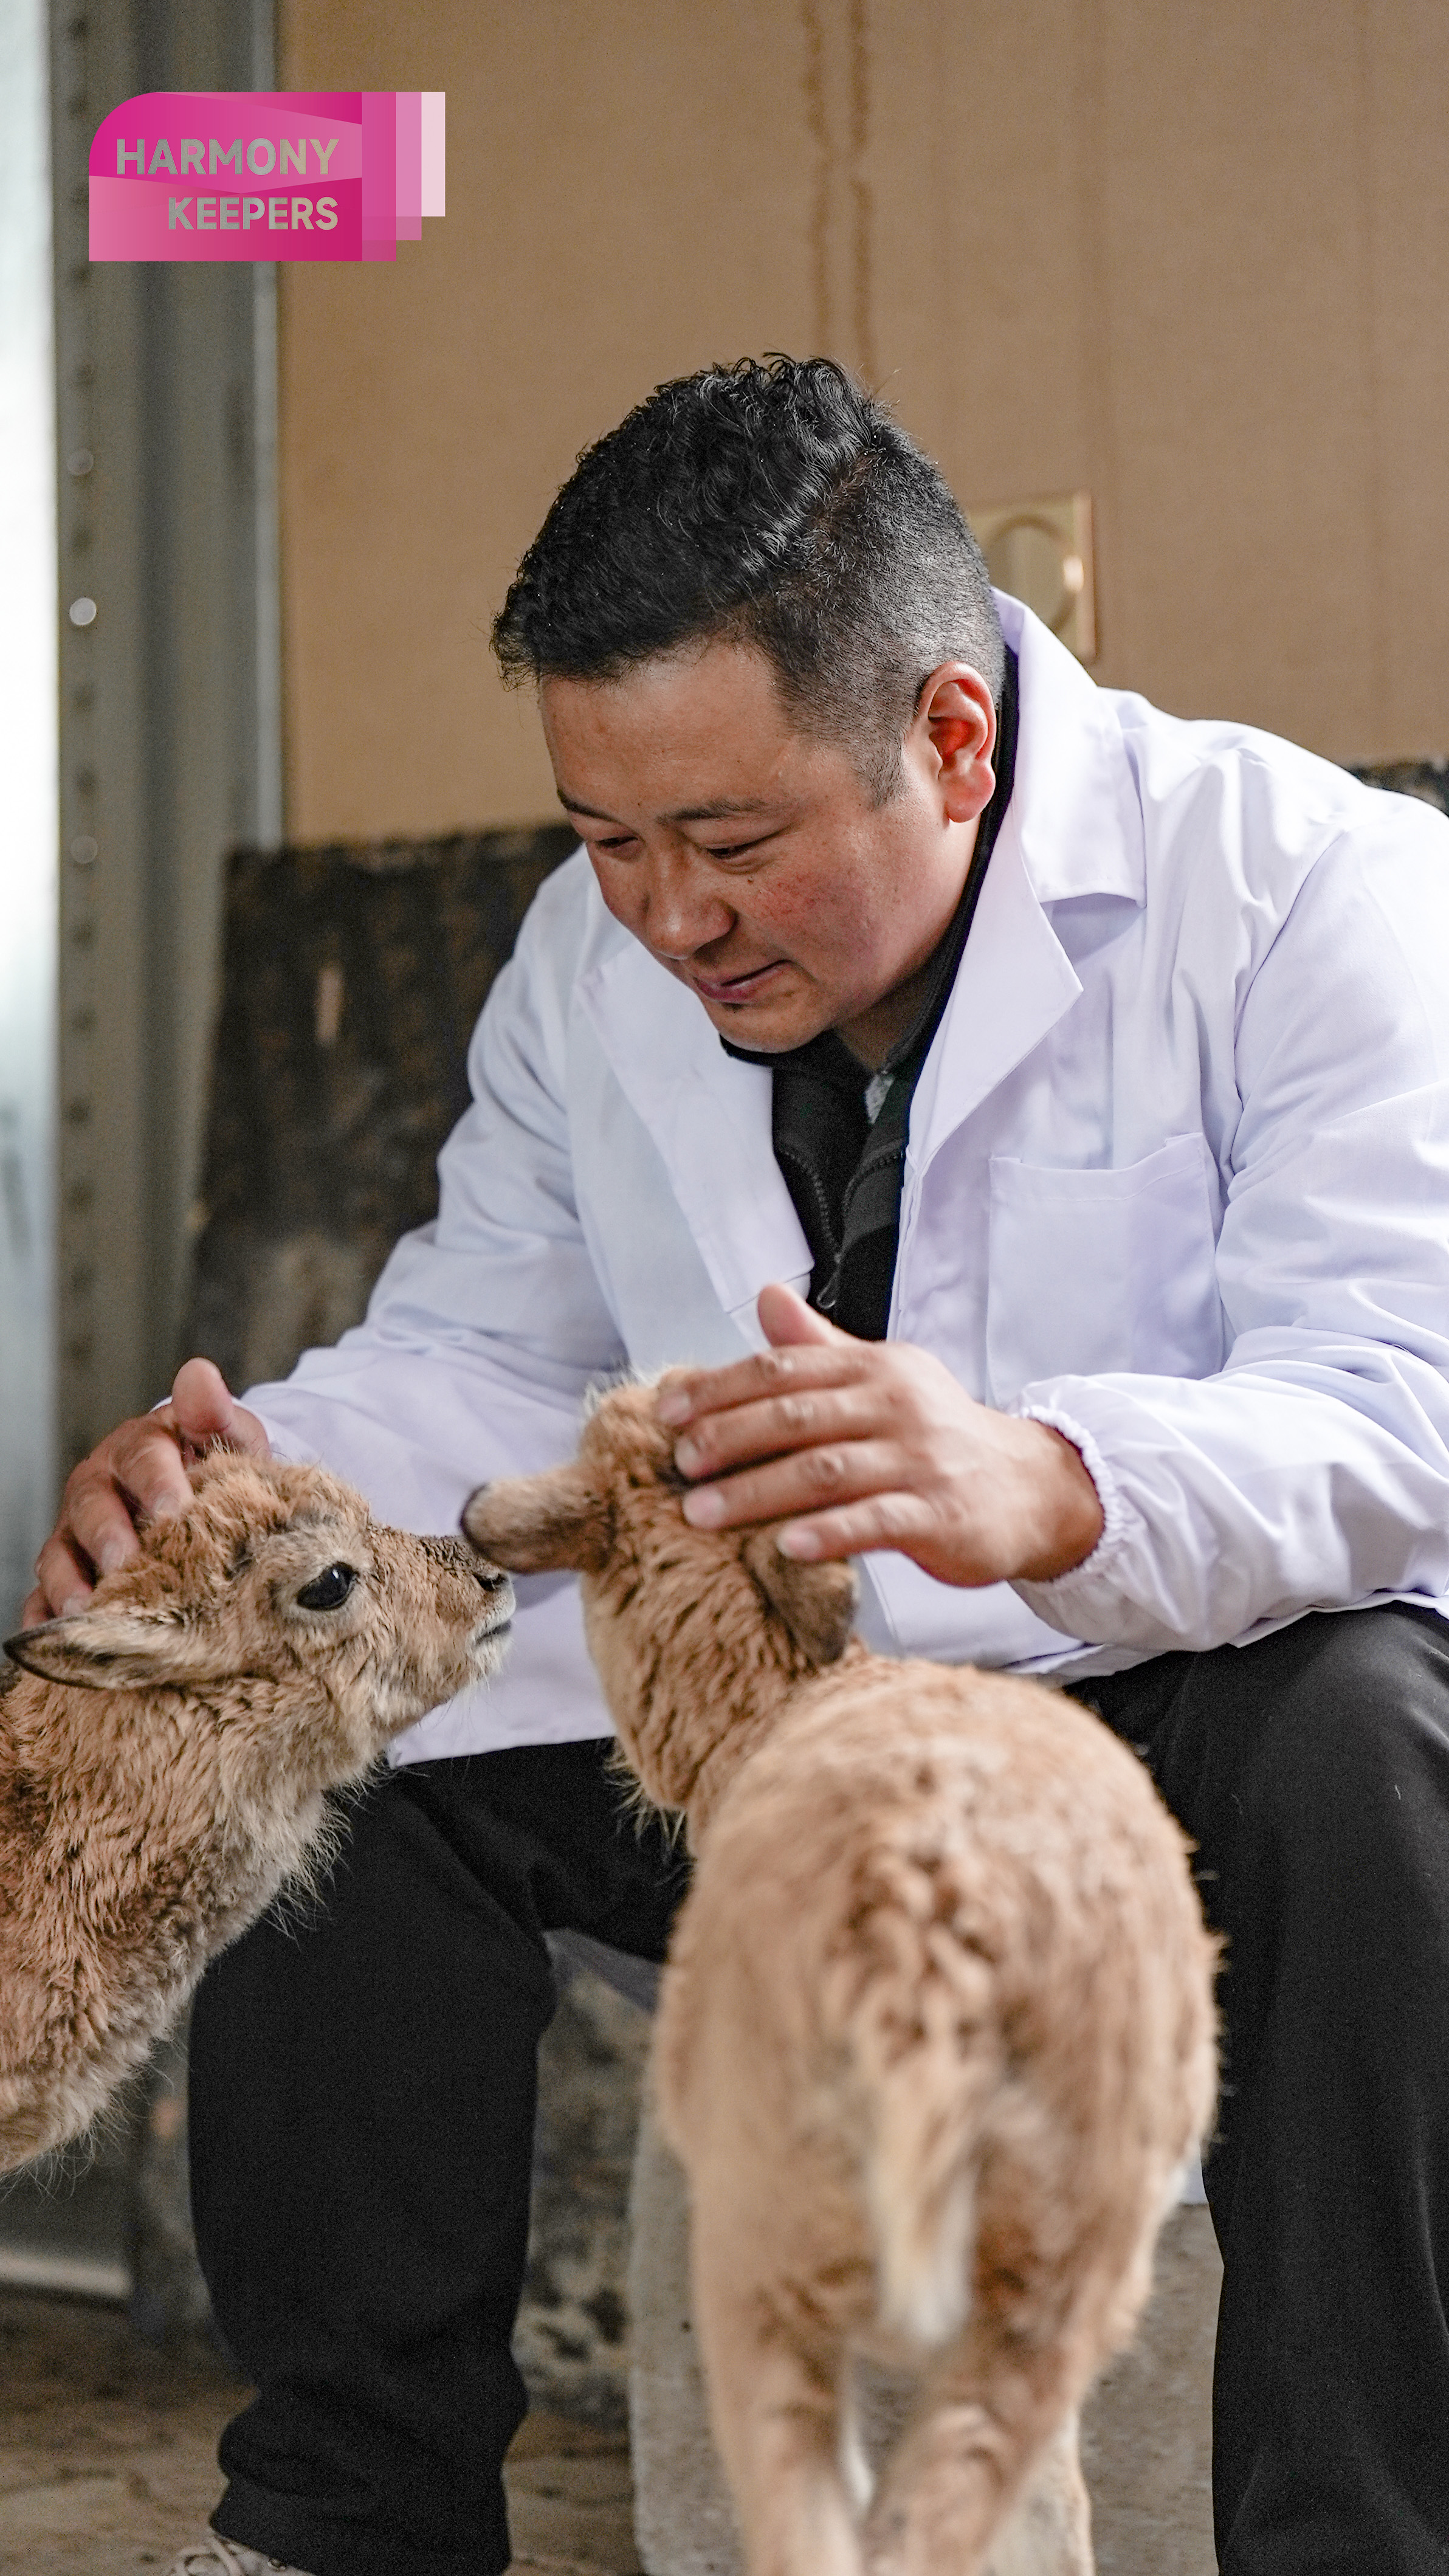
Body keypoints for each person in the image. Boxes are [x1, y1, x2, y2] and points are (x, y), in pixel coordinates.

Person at [27, 357, 1449, 2576]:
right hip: (789, 1743)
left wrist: (1056, 1480)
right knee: (346, 1723)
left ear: (952, 737)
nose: (667, 918)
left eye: (732, 841)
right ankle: (341, 2529)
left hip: (1175, 1744)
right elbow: (492, 1349)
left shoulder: (1311, 891)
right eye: (608, 839)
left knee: (1377, 1738)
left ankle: (1354, 2542)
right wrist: (248, 1484)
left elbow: (1400, 1410)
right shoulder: (593, 967)